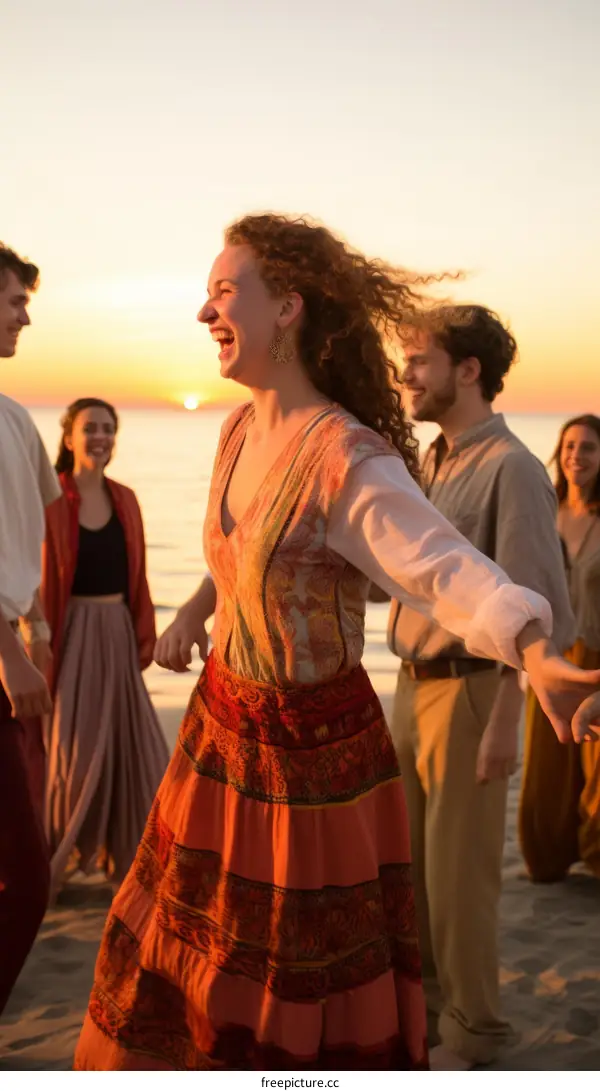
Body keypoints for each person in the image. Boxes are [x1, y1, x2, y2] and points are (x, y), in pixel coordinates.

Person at [74, 215, 600, 1072]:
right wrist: (195, 609)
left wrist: (533, 648)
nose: (204, 311)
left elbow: (441, 567)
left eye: (223, 290)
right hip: (216, 741)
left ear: (287, 307)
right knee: (180, 963)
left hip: (309, 770)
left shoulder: (348, 456)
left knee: (287, 996)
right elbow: (248, 552)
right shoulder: (235, 428)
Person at [385, 305, 577, 1069]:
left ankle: (475, 1035)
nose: (407, 374)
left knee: (462, 882)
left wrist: (506, 716)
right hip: (406, 683)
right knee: (412, 876)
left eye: (419, 359)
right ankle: (428, 1024)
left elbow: (537, 601)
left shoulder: (514, 468)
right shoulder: (430, 461)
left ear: (468, 370)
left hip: (470, 694)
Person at [41, 398, 169, 898]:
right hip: (70, 637)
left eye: (108, 428)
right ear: (68, 437)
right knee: (72, 756)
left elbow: (137, 573)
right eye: (90, 427)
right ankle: (56, 861)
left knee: (136, 751)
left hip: (117, 631)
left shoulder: (126, 499)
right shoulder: (49, 496)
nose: (100, 436)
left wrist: (146, 635)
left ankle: (132, 862)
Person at [0, 243, 62, 1015]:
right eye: (15, 298)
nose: (25, 314)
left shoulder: (16, 417)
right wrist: (10, 653)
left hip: (13, 646)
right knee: (26, 874)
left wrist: (37, 619)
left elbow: (26, 531)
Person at [520, 414, 600, 881]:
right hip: (550, 660)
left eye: (588, 447)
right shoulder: (544, 513)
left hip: (595, 661)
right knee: (548, 769)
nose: (576, 456)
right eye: (569, 446)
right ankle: (548, 861)